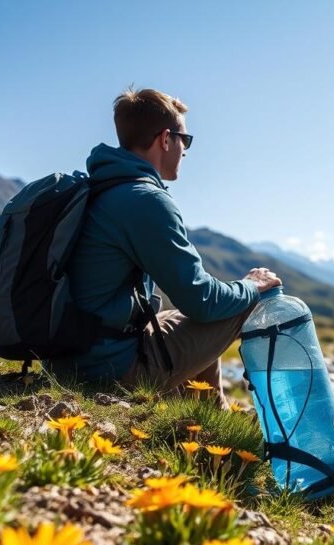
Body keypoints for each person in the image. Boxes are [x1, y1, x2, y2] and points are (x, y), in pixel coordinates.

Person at [48, 87, 280, 406]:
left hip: (65, 358)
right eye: (186, 139)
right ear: (166, 139)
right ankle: (273, 417)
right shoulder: (146, 200)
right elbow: (202, 300)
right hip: (105, 370)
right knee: (252, 299)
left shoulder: (101, 188)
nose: (185, 150)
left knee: (191, 315)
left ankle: (211, 416)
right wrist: (252, 286)